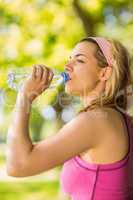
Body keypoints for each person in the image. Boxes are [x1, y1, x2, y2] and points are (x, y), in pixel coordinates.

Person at [6, 36, 133, 199]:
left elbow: (17, 165)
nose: (67, 66)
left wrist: (25, 96)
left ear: (104, 72)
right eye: (69, 59)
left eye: (79, 60)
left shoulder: (95, 121)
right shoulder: (120, 119)